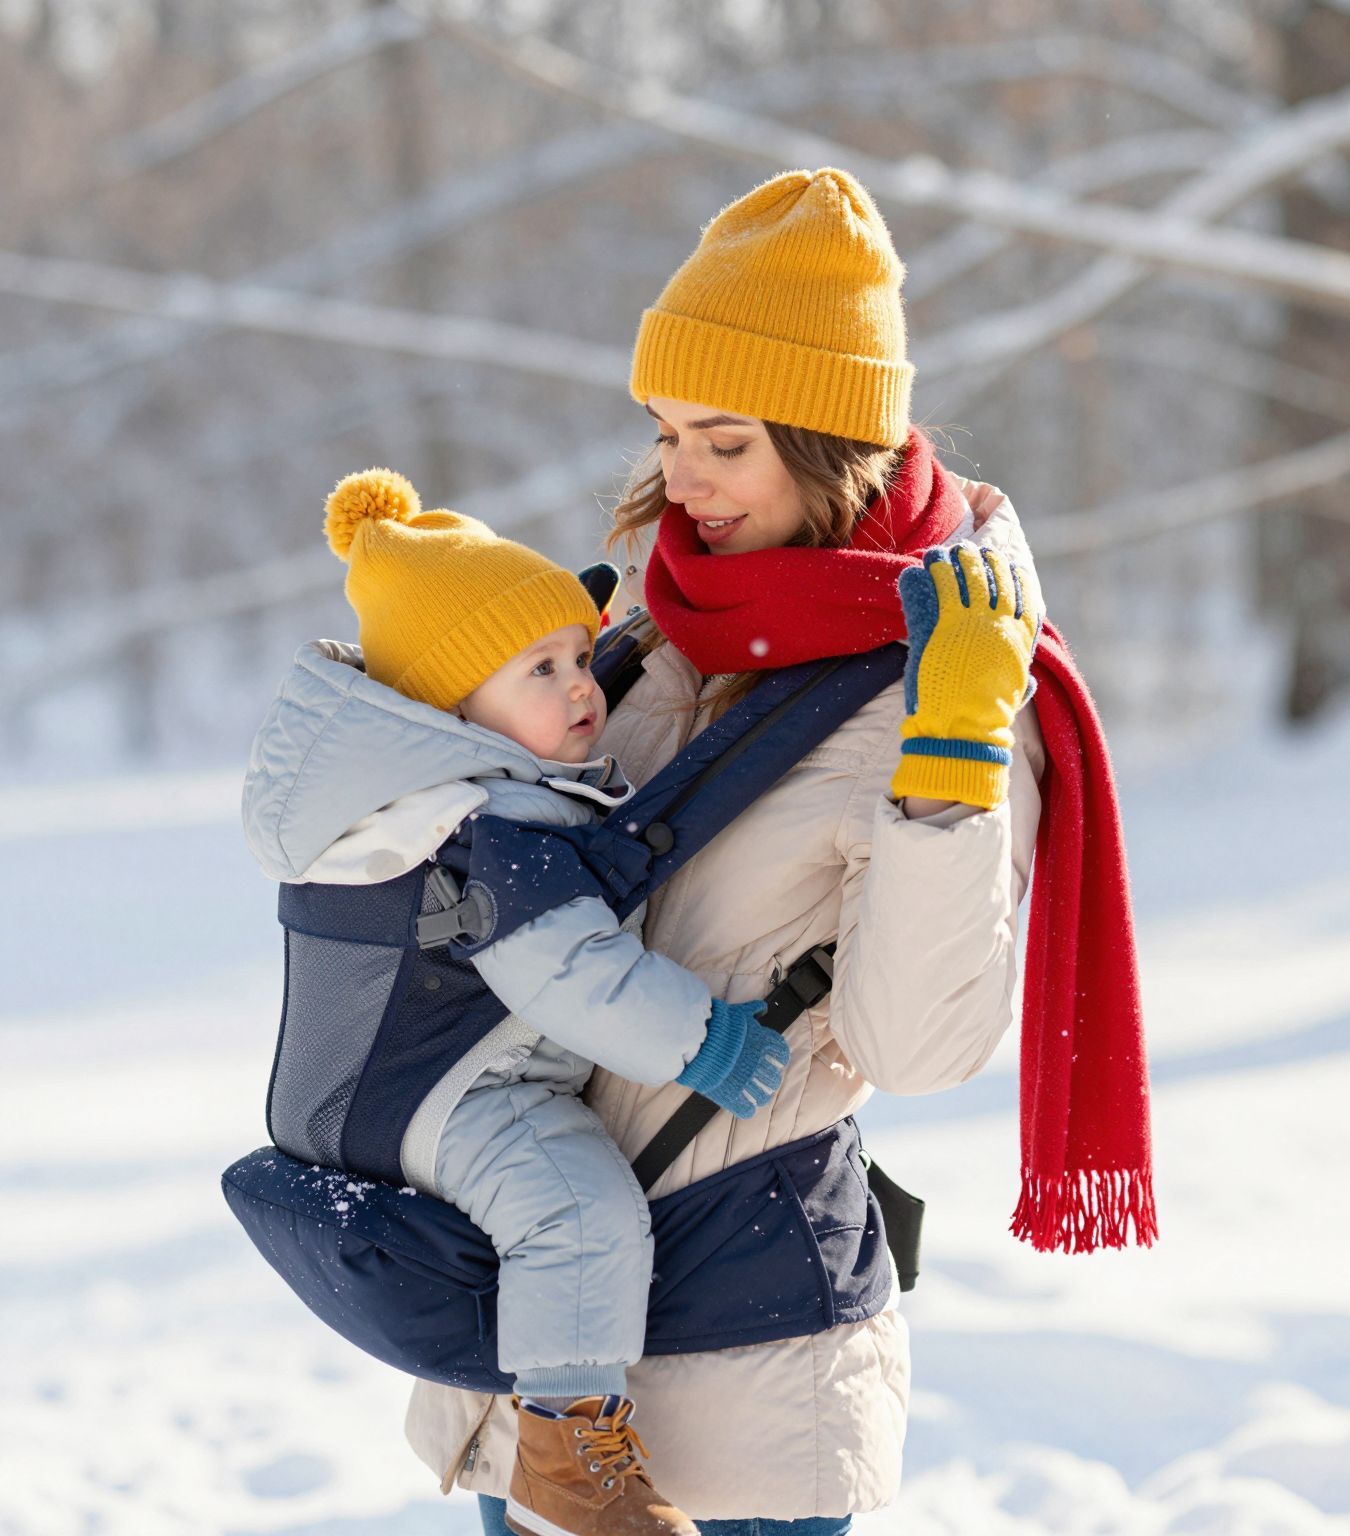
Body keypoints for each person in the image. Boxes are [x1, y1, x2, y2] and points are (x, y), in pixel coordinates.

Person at [400, 167, 1156, 1536]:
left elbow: (920, 1049)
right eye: (667, 433)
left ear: (831, 440)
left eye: (725, 442)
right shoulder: (645, 625)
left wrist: (951, 754)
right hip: (556, 1348)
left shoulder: (954, 685)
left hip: (747, 1362)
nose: (680, 480)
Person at [244, 468, 800, 1536]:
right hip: (441, 1096)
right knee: (576, 1209)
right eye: (538, 669)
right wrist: (705, 1044)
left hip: (385, 1084)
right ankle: (564, 1451)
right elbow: (575, 977)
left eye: (580, 656)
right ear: (457, 709)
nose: (581, 686)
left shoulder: (435, 800)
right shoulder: (487, 831)